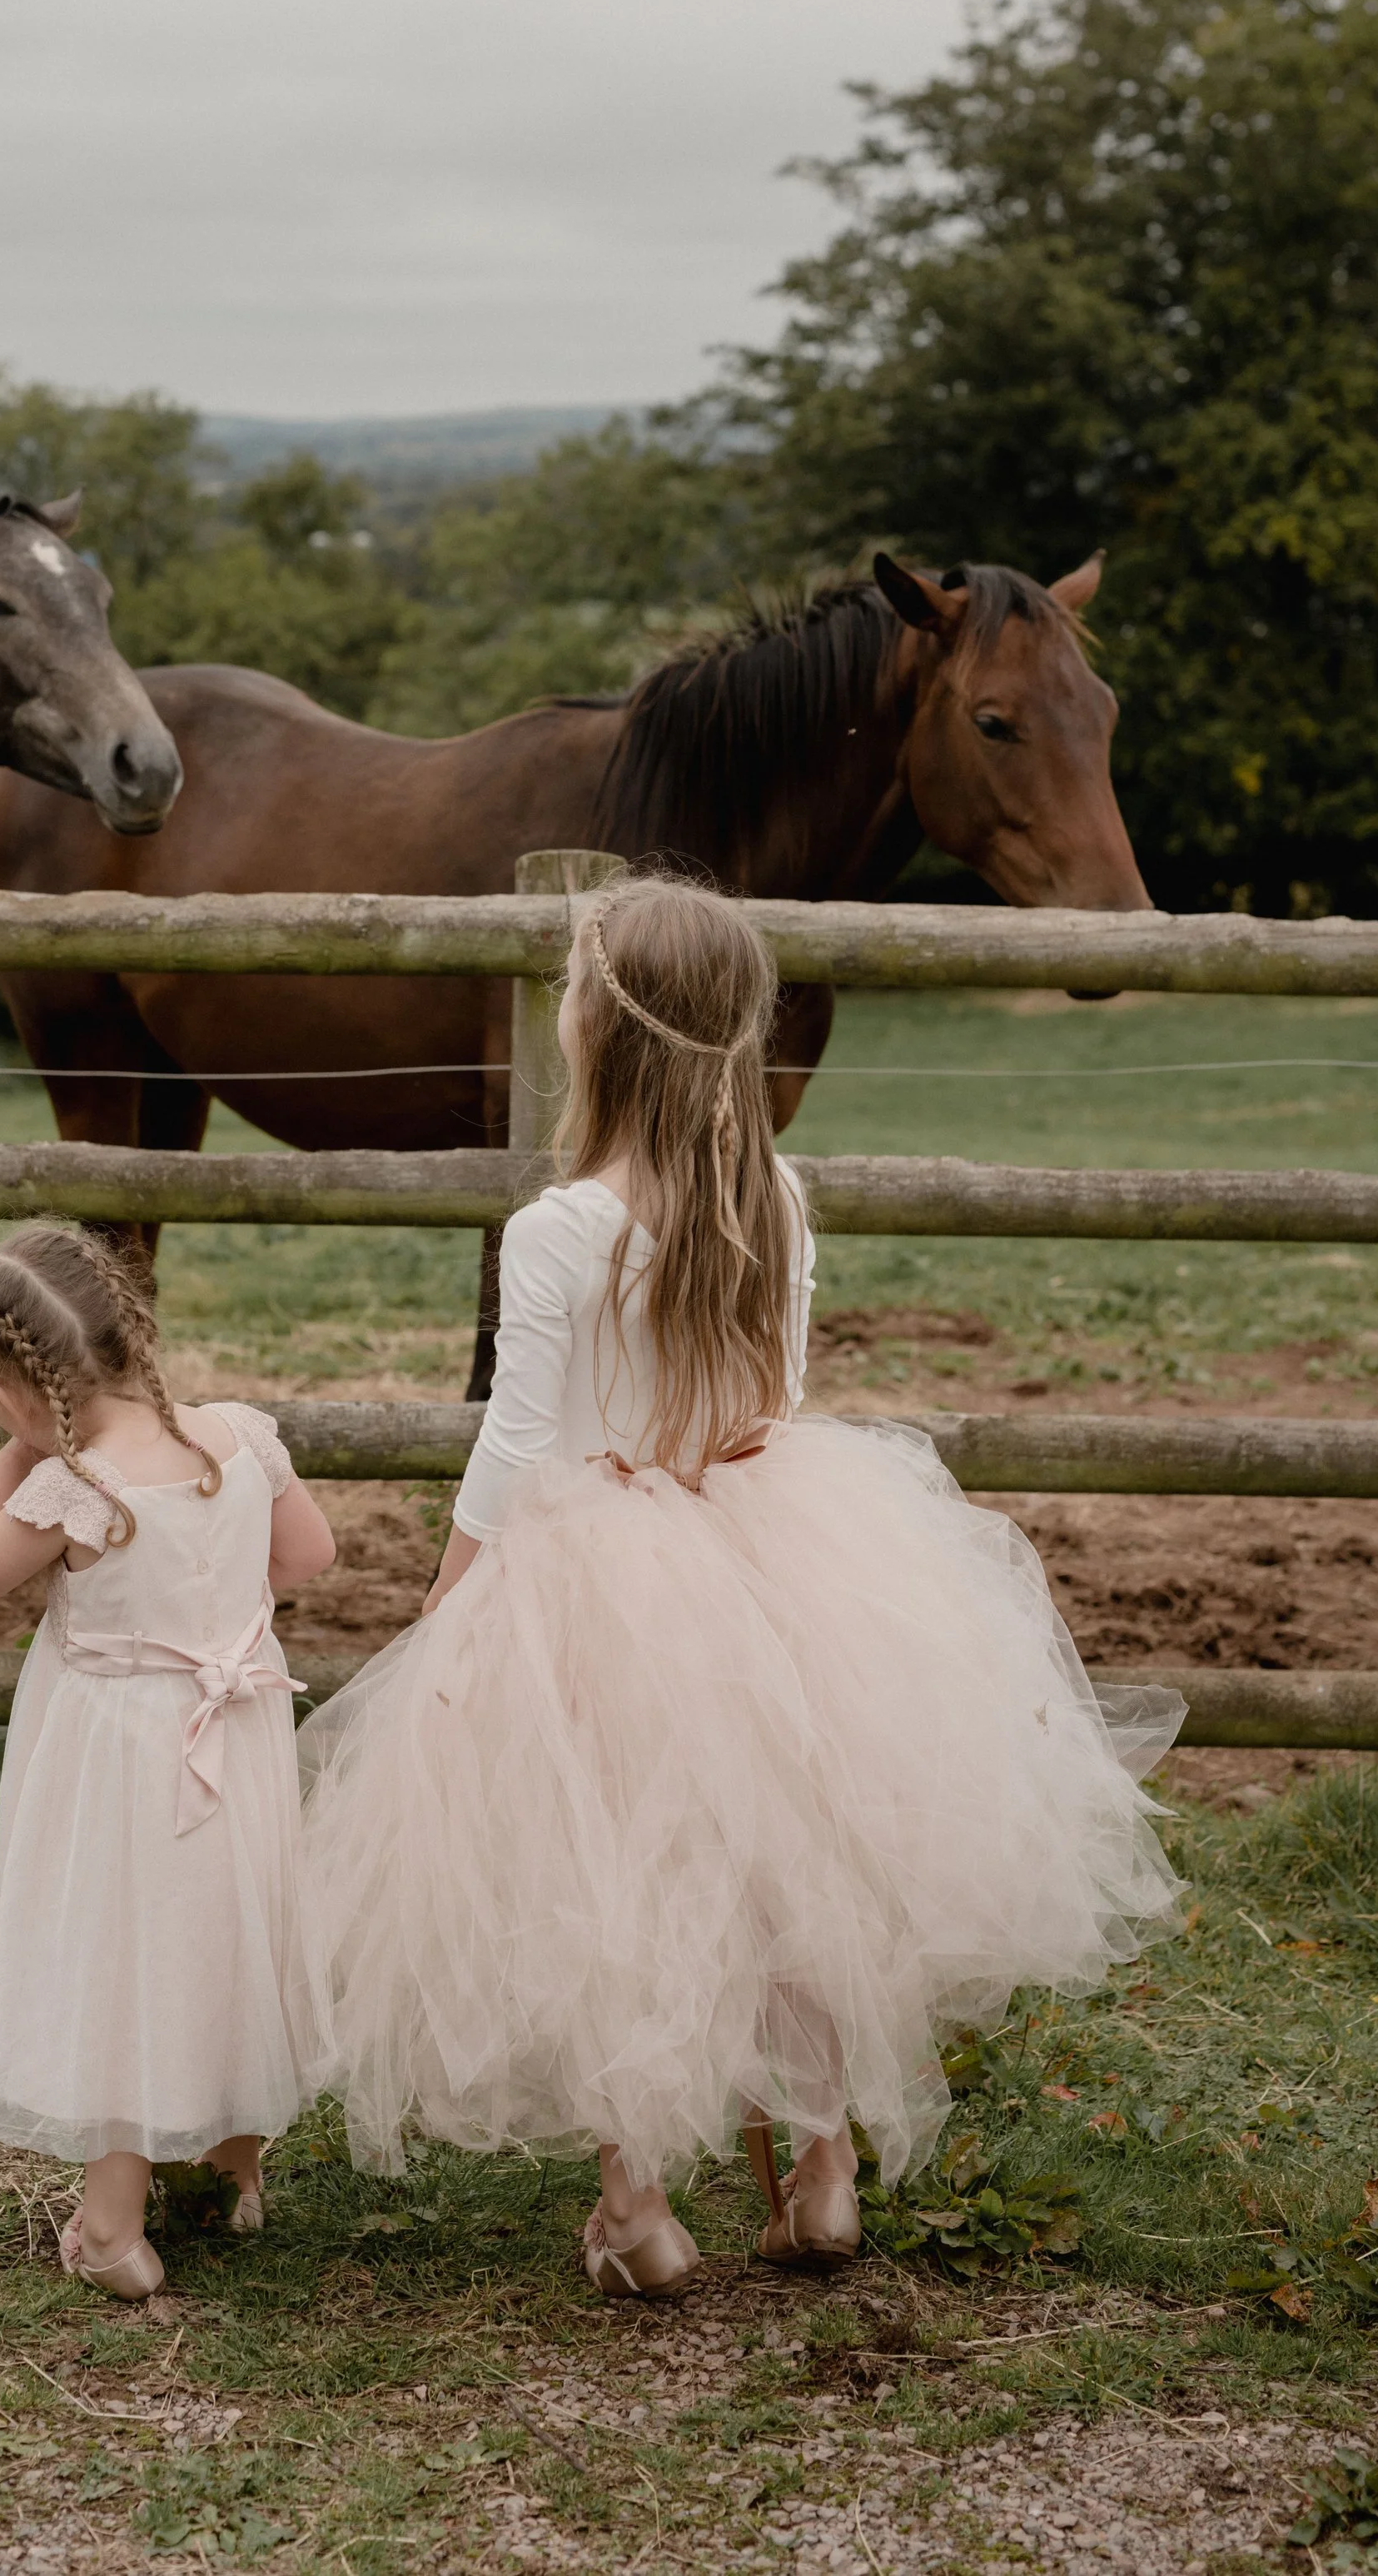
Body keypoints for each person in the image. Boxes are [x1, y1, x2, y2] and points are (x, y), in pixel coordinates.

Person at [301, 874, 1182, 2297]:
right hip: (774, 1545)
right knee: (794, 1870)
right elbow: (776, 1393)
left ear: (606, 1032)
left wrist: (448, 1600)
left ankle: (641, 2206)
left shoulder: (558, 1229)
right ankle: (824, 2169)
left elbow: (518, 1443)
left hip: (596, 1575)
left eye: (575, 990)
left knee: (611, 1878)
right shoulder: (772, 1196)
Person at [0, 1220, 336, 2301]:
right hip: (238, 1737)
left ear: (22, 1389)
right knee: (228, 1938)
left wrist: (23, 1446)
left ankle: (114, 2223)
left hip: (121, 1757)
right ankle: (231, 2168)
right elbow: (309, 1555)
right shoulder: (241, 1437)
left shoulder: (74, 1482)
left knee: (130, 1962)